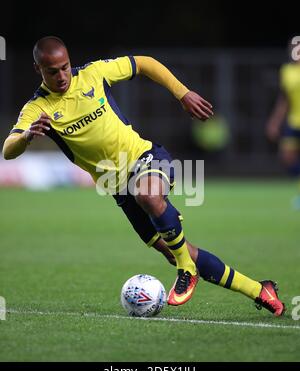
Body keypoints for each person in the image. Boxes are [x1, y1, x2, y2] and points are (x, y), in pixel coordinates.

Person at [2, 36, 285, 315]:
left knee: (149, 196)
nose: (62, 75)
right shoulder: (37, 108)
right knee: (173, 248)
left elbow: (145, 63)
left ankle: (186, 269)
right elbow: (8, 150)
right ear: (38, 69)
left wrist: (182, 93)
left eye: (65, 66)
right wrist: (26, 135)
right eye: (53, 71)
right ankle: (259, 290)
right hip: (118, 188)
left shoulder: (93, 74)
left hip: (145, 158)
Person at [266, 38, 300, 208]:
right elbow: (284, 99)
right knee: (287, 157)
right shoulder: (286, 70)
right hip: (294, 121)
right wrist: (275, 121)